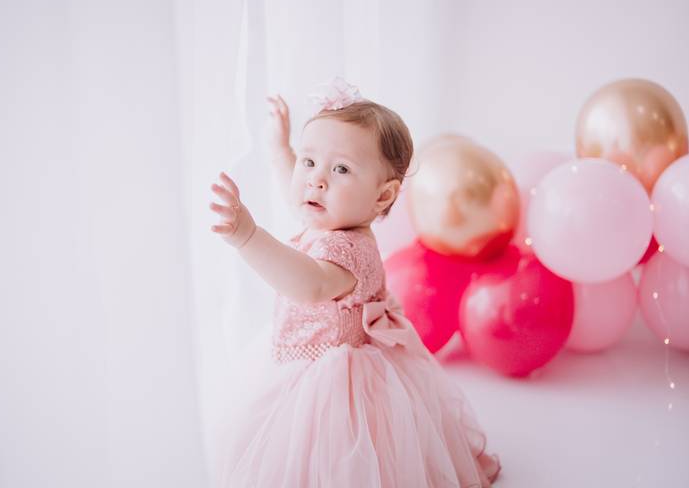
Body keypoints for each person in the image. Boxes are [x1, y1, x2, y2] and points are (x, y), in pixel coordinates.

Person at [208, 77, 501, 487]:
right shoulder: (326, 217)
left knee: (336, 456)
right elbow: (298, 194)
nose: (316, 180)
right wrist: (280, 150)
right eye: (309, 161)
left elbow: (308, 285)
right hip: (300, 357)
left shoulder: (349, 250)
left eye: (341, 169)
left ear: (382, 196)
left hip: (336, 381)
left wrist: (248, 237)